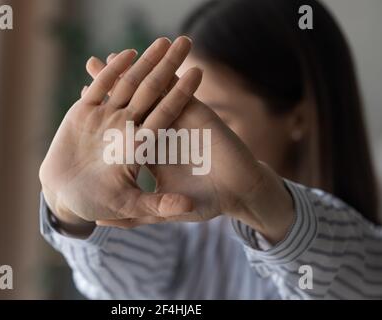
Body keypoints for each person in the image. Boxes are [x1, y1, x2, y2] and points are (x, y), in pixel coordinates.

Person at [39, 0, 382, 299]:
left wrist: (257, 197)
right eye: (174, 113)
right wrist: (70, 215)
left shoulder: (358, 247)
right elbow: (132, 288)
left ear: (298, 118)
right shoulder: (191, 233)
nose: (186, 139)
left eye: (216, 117)